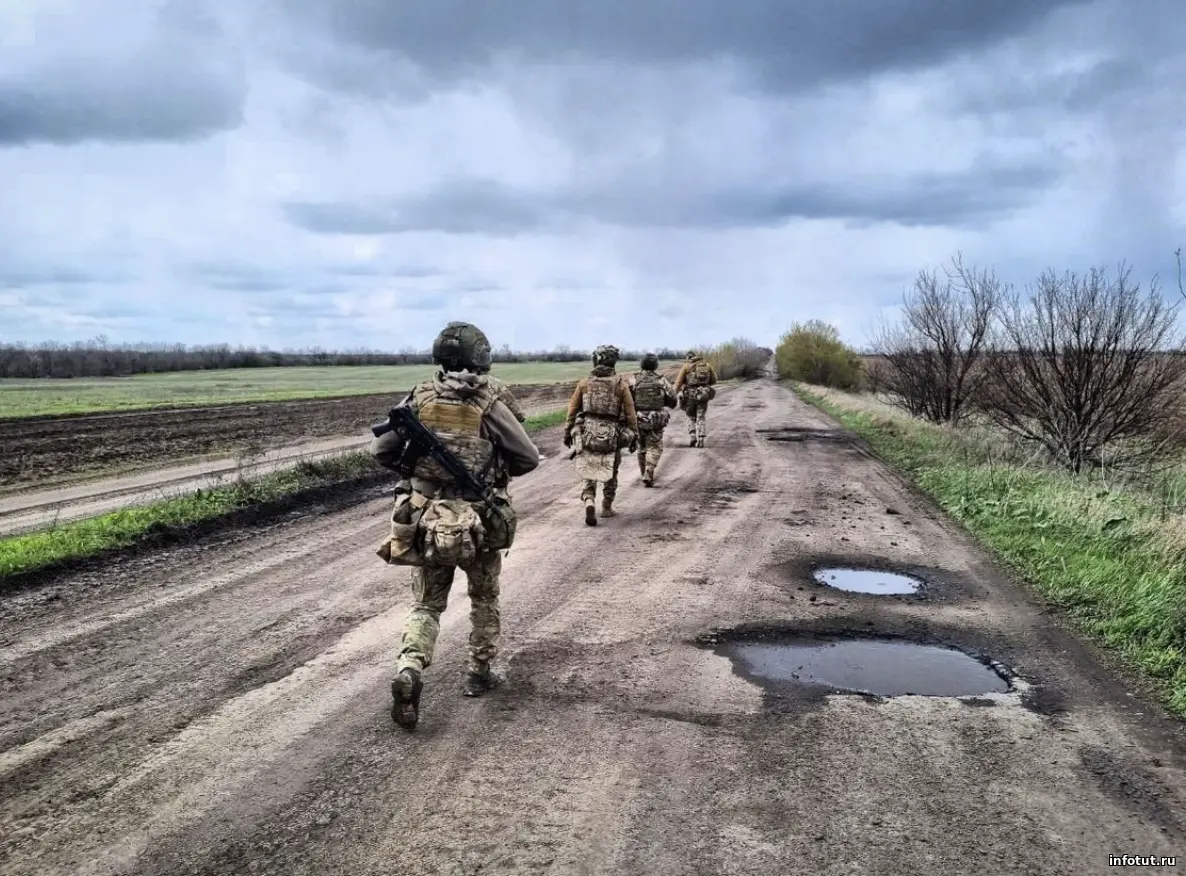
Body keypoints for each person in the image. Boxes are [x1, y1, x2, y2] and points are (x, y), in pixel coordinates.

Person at [369, 321, 541, 730]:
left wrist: (417, 469)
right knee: (483, 598)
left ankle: (410, 668)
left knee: (427, 604)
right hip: (478, 518)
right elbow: (528, 457)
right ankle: (478, 674)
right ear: (480, 356)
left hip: (427, 518)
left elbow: (380, 449)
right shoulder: (490, 400)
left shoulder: (420, 396)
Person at [562, 344, 638, 526]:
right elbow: (630, 413)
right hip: (612, 434)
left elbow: (572, 410)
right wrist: (634, 435)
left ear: (596, 360)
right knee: (611, 469)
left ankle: (589, 500)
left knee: (589, 468)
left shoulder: (584, 383)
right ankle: (606, 507)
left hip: (587, 432)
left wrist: (567, 432)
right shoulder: (621, 384)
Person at [627, 352, 677, 487]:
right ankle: (649, 470)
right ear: (655, 365)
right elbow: (673, 399)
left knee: (641, 447)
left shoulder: (633, 380)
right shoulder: (661, 380)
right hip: (656, 419)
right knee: (655, 446)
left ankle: (644, 472)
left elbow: (627, 400)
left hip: (638, 418)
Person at [673, 349, 719, 448]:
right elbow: (714, 380)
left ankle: (693, 435)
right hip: (703, 394)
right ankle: (701, 438)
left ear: (688, 358)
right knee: (701, 416)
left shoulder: (686, 366)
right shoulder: (707, 365)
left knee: (690, 416)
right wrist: (704, 385)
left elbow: (678, 382)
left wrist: (674, 393)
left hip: (690, 395)